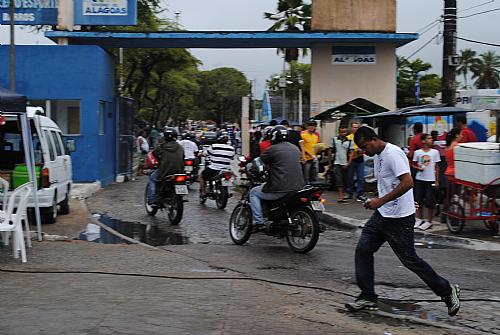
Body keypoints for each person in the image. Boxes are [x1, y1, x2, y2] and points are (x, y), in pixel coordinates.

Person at [345, 126, 460, 317]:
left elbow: (408, 182)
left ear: (373, 139)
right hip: (383, 215)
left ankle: (447, 292)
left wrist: (380, 201)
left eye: (365, 147)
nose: (365, 152)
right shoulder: (378, 156)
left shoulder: (393, 154)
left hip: (399, 219)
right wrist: (376, 199)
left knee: (410, 260)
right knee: (363, 250)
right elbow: (390, 183)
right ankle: (368, 297)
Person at [249, 125, 305, 229]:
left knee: (253, 193)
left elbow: (260, 162)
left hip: (280, 187)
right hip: (298, 187)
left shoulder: (272, 149)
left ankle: (258, 222)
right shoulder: (295, 148)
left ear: (273, 136)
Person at [147, 128, 184, 206]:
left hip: (165, 172)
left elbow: (154, 154)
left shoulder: (162, 147)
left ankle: (152, 199)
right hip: (179, 172)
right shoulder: (180, 147)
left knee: (152, 177)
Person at [412, 133, 441, 230]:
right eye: (429, 138)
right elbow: (413, 164)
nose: (431, 140)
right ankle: (419, 218)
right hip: (420, 179)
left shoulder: (435, 152)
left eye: (431, 138)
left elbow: (437, 167)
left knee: (430, 201)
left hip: (430, 179)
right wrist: (418, 168)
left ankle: (429, 221)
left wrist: (437, 180)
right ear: (423, 141)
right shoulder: (418, 152)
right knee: (418, 200)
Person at [199, 131, 235, 198]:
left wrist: (200, 154)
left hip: (214, 169)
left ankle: (203, 192)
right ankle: (226, 191)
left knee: (201, 176)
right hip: (226, 169)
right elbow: (232, 157)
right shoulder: (231, 148)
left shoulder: (214, 146)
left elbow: (204, 154)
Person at [331, 125, 353, 203]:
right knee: (339, 180)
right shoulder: (335, 140)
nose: (343, 133)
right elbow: (330, 151)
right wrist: (330, 163)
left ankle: (344, 195)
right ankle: (341, 196)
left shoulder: (350, 141)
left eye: (344, 132)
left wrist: (348, 163)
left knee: (346, 180)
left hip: (346, 163)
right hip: (337, 162)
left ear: (347, 132)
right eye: (341, 132)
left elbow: (351, 153)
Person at [346, 121, 366, 202]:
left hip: (360, 159)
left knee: (361, 177)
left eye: (357, 127)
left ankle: (360, 194)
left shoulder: (362, 137)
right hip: (351, 159)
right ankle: (349, 193)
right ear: (351, 128)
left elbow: (365, 148)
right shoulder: (348, 137)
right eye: (354, 127)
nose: (355, 129)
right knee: (350, 177)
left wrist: (361, 151)